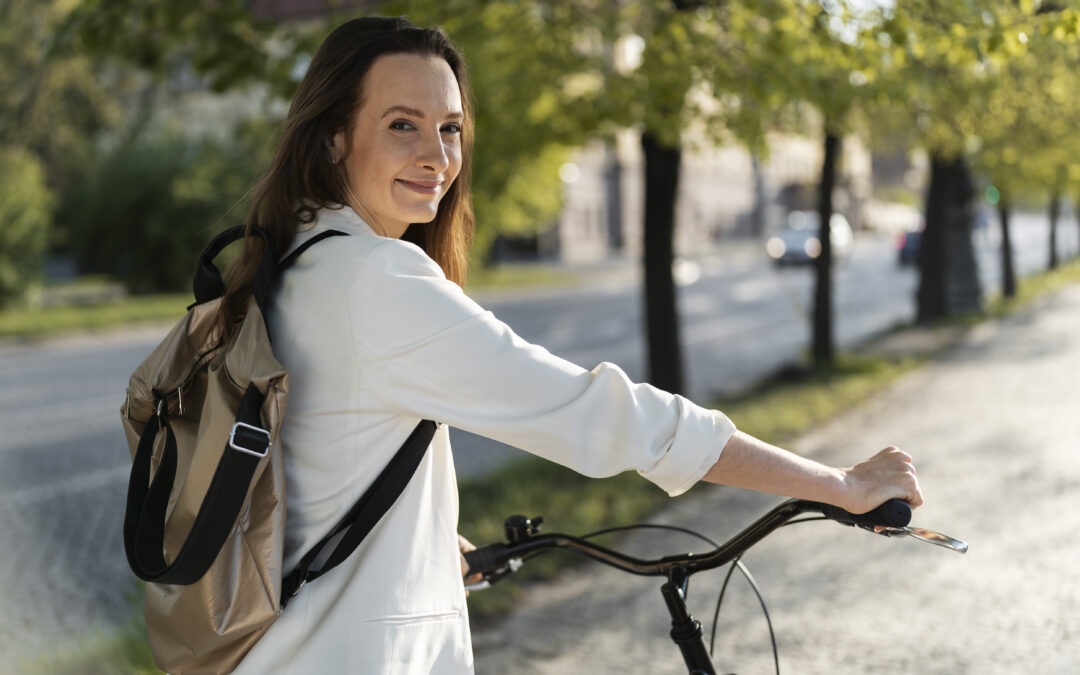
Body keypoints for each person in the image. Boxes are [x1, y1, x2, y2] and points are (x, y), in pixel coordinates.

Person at [226, 16, 922, 674]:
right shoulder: (377, 281)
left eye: (450, 128)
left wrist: (418, 542)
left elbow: (322, 457)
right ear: (333, 137)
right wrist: (839, 485)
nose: (437, 156)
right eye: (402, 125)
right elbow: (599, 415)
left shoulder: (295, 258)